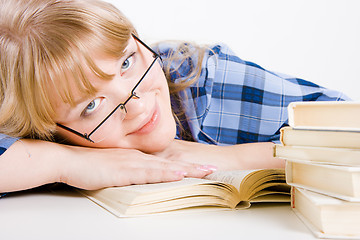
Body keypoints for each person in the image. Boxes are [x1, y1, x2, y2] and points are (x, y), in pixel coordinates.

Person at [0, 0, 350, 197]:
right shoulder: (33, 136)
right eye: (91, 106)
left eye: (126, 62)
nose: (137, 104)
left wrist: (232, 157)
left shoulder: (199, 81)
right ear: (50, 129)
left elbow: (348, 129)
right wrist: (60, 162)